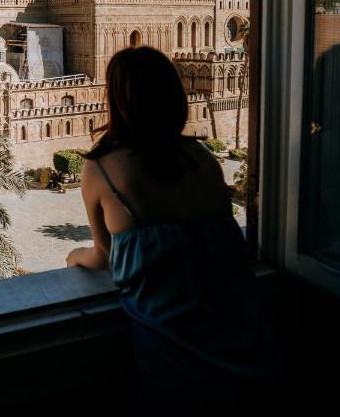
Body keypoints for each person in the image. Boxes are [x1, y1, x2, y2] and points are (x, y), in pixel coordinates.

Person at [66, 46, 277, 415]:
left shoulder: (102, 170)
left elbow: (104, 258)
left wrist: (73, 257)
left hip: (175, 357)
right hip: (246, 341)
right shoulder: (204, 160)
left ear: (117, 100)